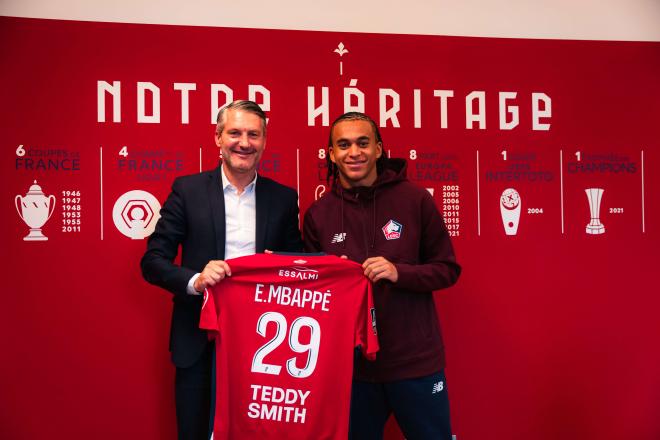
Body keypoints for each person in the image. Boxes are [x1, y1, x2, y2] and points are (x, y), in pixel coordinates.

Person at [141, 100, 302, 440]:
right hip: (197, 340)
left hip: (264, 347)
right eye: (235, 133)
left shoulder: (284, 199)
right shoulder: (188, 190)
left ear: (264, 141)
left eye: (253, 135)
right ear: (217, 138)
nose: (244, 143)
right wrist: (196, 280)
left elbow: (296, 267)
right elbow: (153, 261)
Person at [303, 112, 461, 440]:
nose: (354, 152)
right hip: (352, 369)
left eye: (363, 143)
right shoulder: (319, 215)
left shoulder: (415, 199)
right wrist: (331, 280)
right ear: (331, 154)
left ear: (378, 149)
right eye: (343, 145)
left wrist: (397, 272)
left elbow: (447, 269)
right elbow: (310, 293)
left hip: (414, 362)